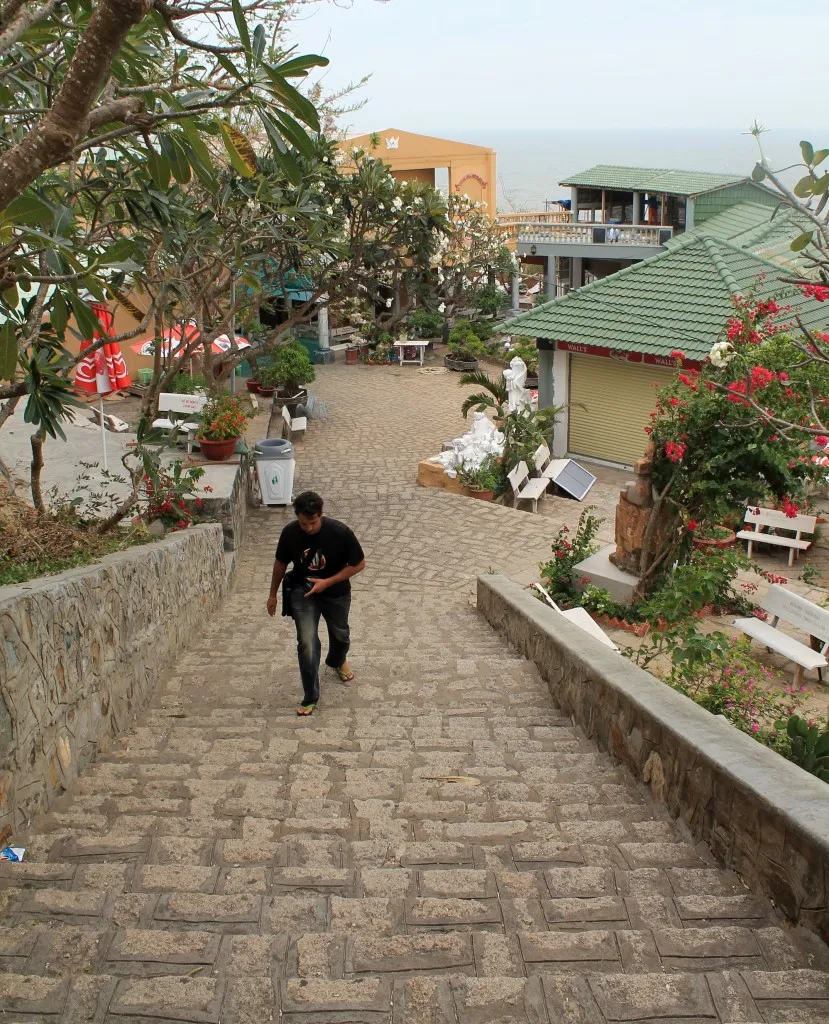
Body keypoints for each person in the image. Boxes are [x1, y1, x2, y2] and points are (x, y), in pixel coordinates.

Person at [266, 491, 366, 716]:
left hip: (337, 593)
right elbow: (280, 564)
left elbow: (359, 564)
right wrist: (272, 595)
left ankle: (337, 660)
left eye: (312, 523)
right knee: (307, 643)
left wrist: (327, 582)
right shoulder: (290, 534)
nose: (308, 528)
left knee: (341, 635)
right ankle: (310, 695)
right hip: (303, 592)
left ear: (321, 515)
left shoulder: (340, 532)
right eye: (303, 523)